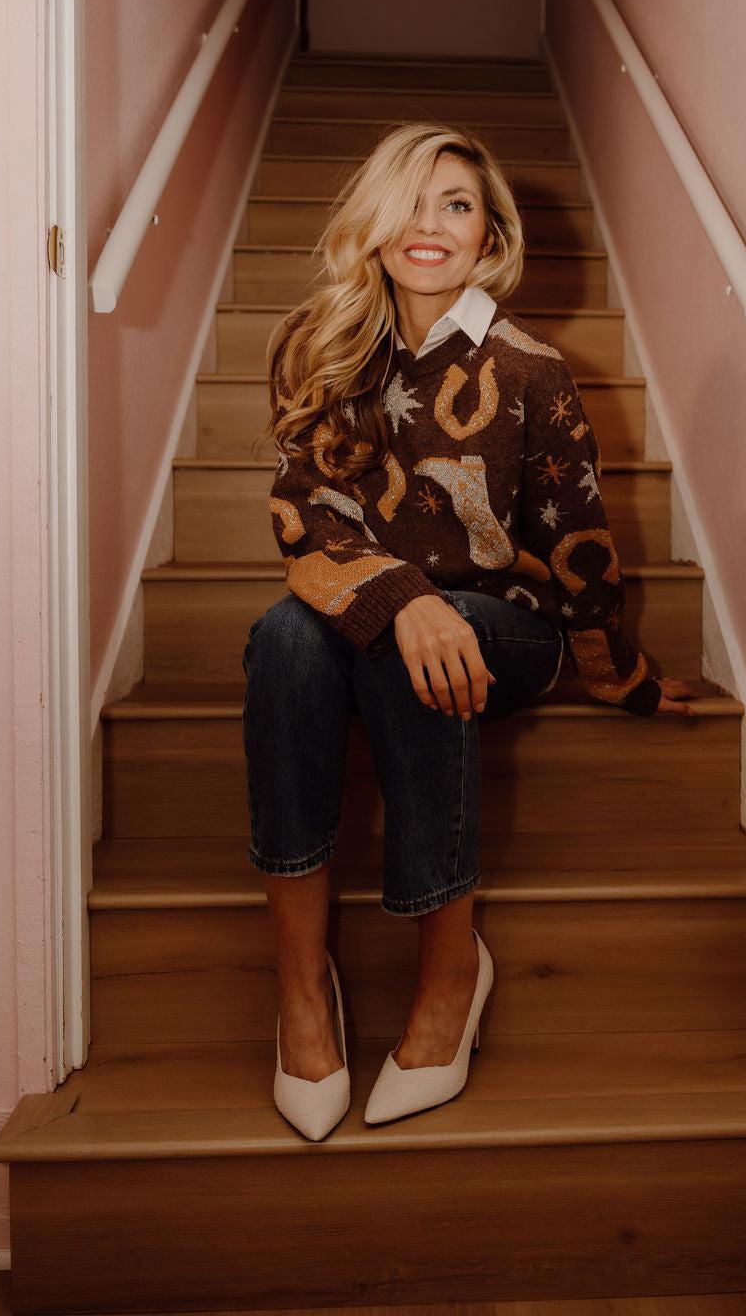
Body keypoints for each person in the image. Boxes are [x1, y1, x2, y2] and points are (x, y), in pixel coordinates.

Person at [242, 120, 698, 1139]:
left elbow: (579, 541)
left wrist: (616, 672)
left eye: (456, 205)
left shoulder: (531, 368)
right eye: (410, 201)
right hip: (384, 610)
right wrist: (403, 597)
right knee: (284, 639)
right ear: (375, 222)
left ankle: (452, 968)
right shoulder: (320, 347)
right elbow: (303, 516)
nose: (431, 224)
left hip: (508, 625)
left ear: (489, 236)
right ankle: (301, 984)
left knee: (425, 631)